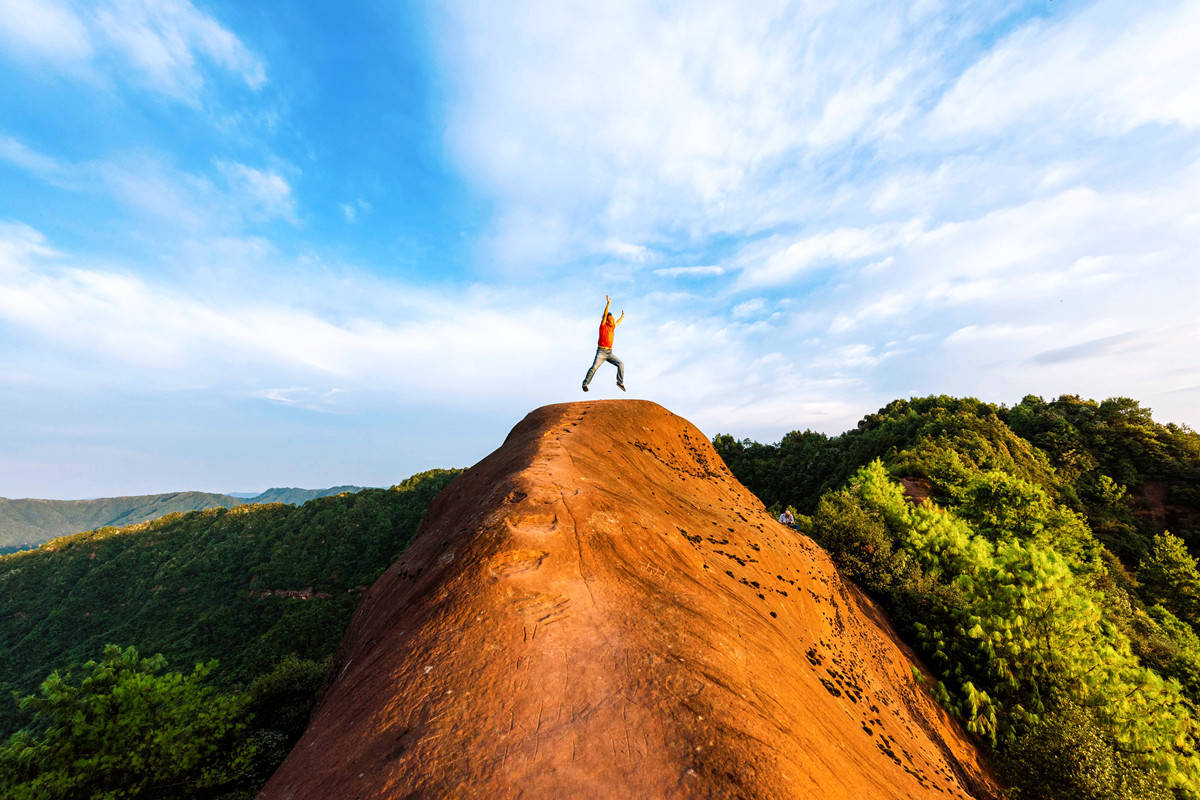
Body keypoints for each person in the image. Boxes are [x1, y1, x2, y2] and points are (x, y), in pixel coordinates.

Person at [582, 295, 625, 392]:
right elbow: (605, 315)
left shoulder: (612, 326)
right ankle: (585, 384)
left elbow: (618, 322)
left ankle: (620, 382)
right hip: (601, 352)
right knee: (594, 368)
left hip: (609, 352)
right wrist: (608, 304)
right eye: (611, 319)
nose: (613, 321)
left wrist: (622, 316)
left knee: (621, 364)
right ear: (607, 320)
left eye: (613, 319)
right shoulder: (603, 326)